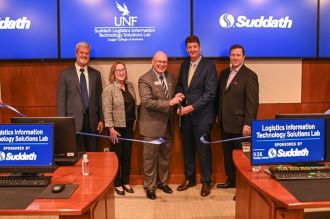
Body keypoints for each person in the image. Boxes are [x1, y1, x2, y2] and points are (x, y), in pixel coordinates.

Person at [176, 35, 217, 197]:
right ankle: (190, 178)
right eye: (189, 47)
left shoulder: (209, 66)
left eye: (195, 47)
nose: (192, 50)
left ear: (200, 47)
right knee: (188, 149)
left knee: (204, 151)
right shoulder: (185, 65)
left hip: (202, 117)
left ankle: (206, 182)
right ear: (186, 49)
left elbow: (210, 93)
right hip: (186, 118)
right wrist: (179, 93)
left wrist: (191, 108)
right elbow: (181, 84)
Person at [138, 51, 183, 200]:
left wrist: (177, 98)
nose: (162, 64)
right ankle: (149, 186)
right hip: (151, 126)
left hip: (168, 126)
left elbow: (172, 97)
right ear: (153, 61)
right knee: (150, 159)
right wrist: (169, 102)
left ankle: (162, 182)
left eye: (164, 62)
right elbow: (147, 102)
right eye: (159, 61)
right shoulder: (144, 79)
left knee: (165, 157)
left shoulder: (170, 77)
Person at [217, 44, 259, 189]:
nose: (234, 58)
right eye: (232, 55)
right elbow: (220, 98)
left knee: (242, 159)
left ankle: (242, 188)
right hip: (225, 124)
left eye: (238, 55)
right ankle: (231, 181)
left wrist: (248, 124)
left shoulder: (250, 75)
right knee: (228, 156)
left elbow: (252, 103)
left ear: (243, 57)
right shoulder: (223, 74)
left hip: (241, 126)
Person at [57, 42, 104, 152]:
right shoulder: (65, 74)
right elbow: (61, 100)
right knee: (74, 154)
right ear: (76, 53)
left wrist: (101, 119)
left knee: (93, 154)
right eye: (81, 52)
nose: (84, 55)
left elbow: (99, 99)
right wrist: (63, 123)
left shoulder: (96, 74)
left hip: (92, 121)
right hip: (73, 122)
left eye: (87, 53)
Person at [102, 61, 137, 196]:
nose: (121, 72)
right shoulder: (109, 89)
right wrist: (110, 128)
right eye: (118, 70)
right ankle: (117, 183)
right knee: (117, 157)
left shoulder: (130, 86)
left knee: (127, 156)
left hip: (129, 127)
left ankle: (126, 181)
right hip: (116, 129)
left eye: (123, 69)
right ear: (113, 73)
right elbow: (107, 110)